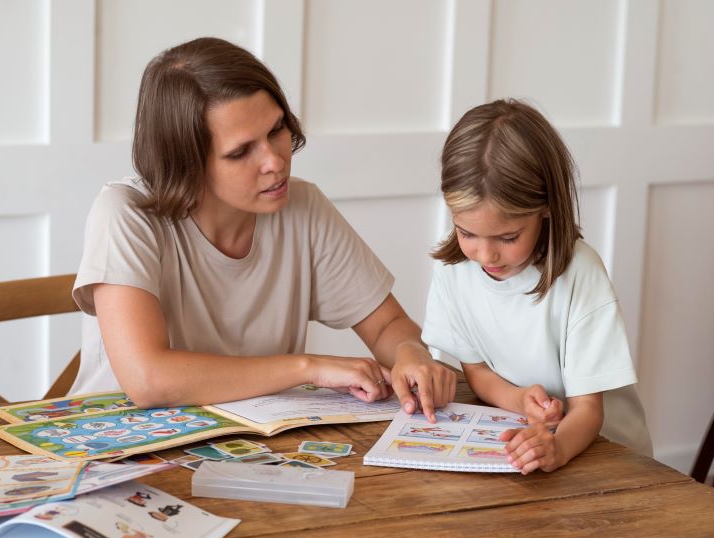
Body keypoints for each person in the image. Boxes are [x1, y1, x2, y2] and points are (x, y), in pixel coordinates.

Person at [69, 37, 456, 420]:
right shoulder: (125, 214)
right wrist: (309, 368)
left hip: (249, 441)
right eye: (241, 152)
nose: (275, 161)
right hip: (113, 441)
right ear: (186, 162)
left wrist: (411, 354)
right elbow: (148, 380)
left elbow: (388, 324)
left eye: (276, 130)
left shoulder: (303, 207)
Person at [422, 99, 652, 474]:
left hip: (610, 458)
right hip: (534, 448)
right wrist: (520, 400)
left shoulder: (580, 273)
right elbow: (477, 371)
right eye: (466, 233)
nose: (485, 254)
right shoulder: (454, 271)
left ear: (546, 207)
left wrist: (556, 448)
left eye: (508, 237)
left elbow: (588, 410)